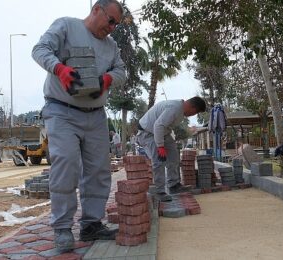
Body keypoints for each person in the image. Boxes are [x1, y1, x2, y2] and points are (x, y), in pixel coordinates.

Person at [32, 0, 126, 252]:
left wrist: (107, 79)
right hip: (61, 110)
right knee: (66, 163)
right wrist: (59, 69)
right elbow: (40, 49)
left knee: (98, 170)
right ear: (96, 9)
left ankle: (91, 224)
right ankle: (62, 227)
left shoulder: (111, 46)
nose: (113, 27)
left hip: (95, 115)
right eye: (111, 20)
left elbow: (121, 70)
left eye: (116, 24)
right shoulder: (66, 26)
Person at [136, 97, 207, 201]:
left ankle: (174, 185)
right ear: (192, 107)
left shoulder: (180, 110)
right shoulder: (174, 108)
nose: (193, 115)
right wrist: (160, 146)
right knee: (159, 161)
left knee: (173, 156)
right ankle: (159, 191)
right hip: (147, 133)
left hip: (163, 133)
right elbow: (158, 125)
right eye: (194, 113)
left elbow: (164, 126)